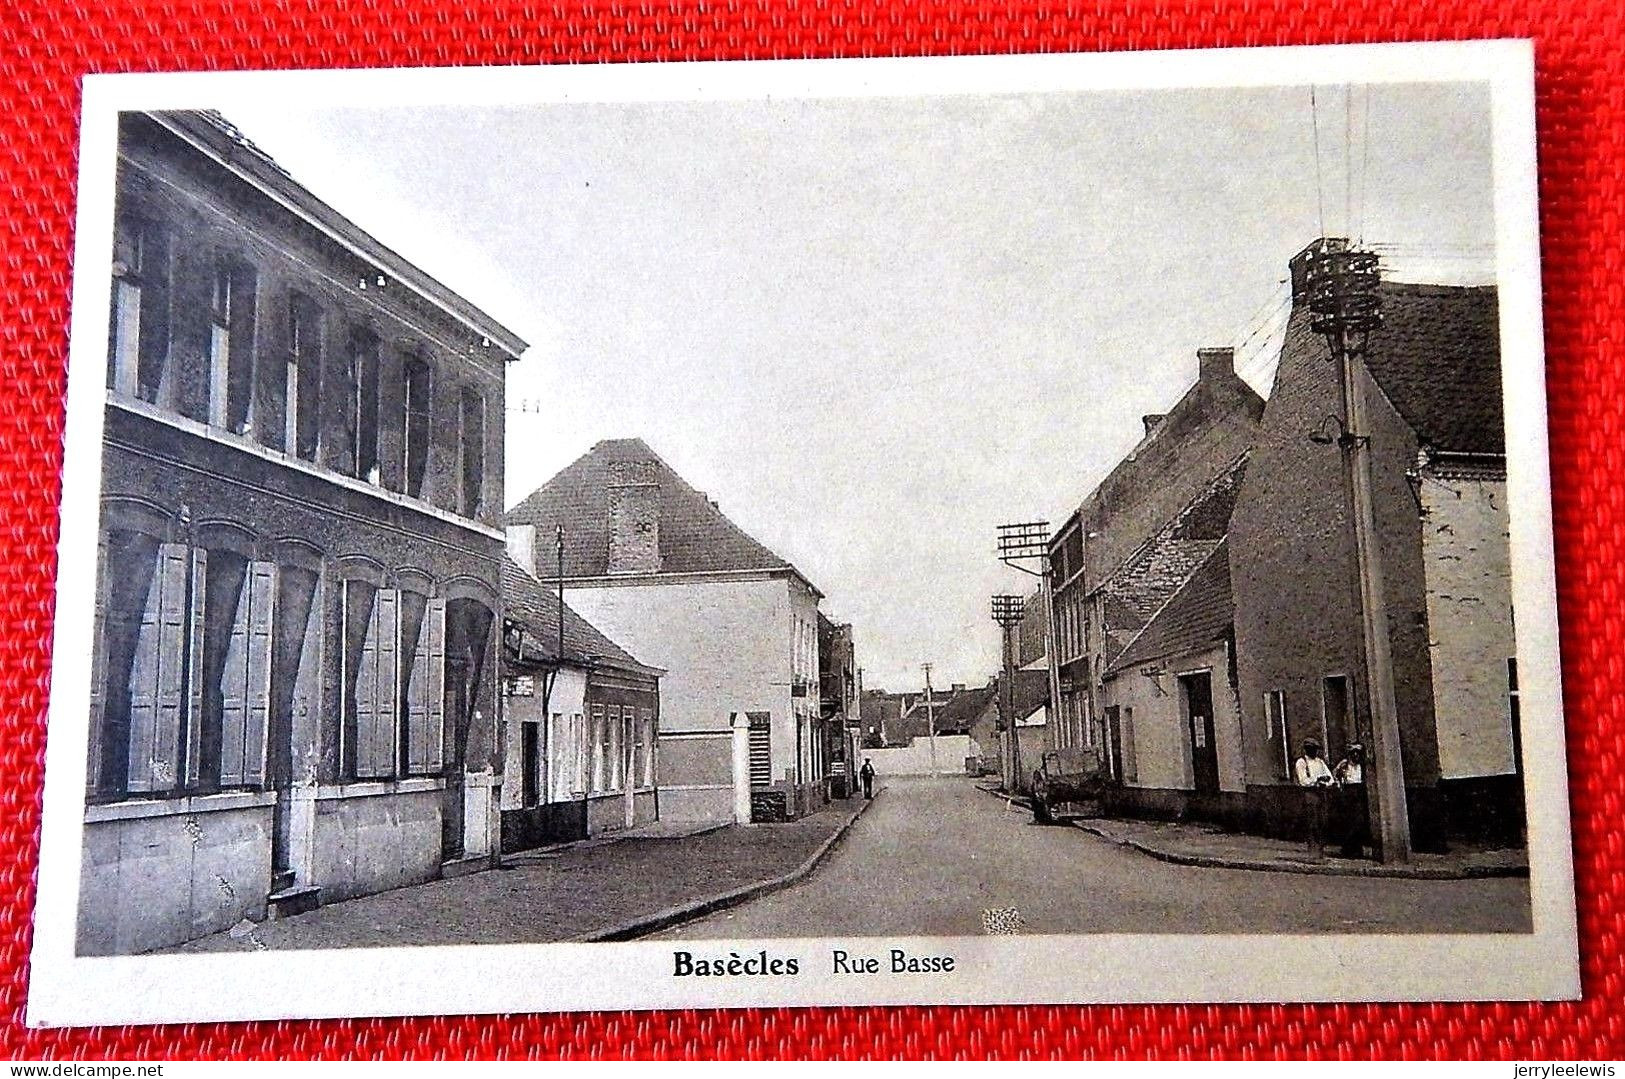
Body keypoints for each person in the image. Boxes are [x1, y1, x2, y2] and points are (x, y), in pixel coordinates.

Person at [1293, 738, 1334, 856]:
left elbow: (1330, 778)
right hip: (1310, 793)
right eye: (1311, 749)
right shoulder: (1301, 763)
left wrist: (1324, 781)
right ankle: (1313, 850)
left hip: (1321, 792)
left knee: (1322, 821)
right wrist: (1316, 779)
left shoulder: (1320, 762)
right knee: (1312, 822)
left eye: (1315, 749)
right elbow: (1303, 781)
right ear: (1306, 749)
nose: (1314, 752)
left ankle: (1320, 850)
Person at [1333, 743, 1370, 858]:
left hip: (1359, 793)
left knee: (1359, 822)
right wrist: (1339, 786)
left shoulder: (1363, 766)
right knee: (1348, 822)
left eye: (1357, 753)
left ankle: (1358, 850)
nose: (1355, 755)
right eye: (1353, 753)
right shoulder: (1344, 765)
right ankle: (1347, 850)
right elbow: (1334, 775)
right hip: (1348, 793)